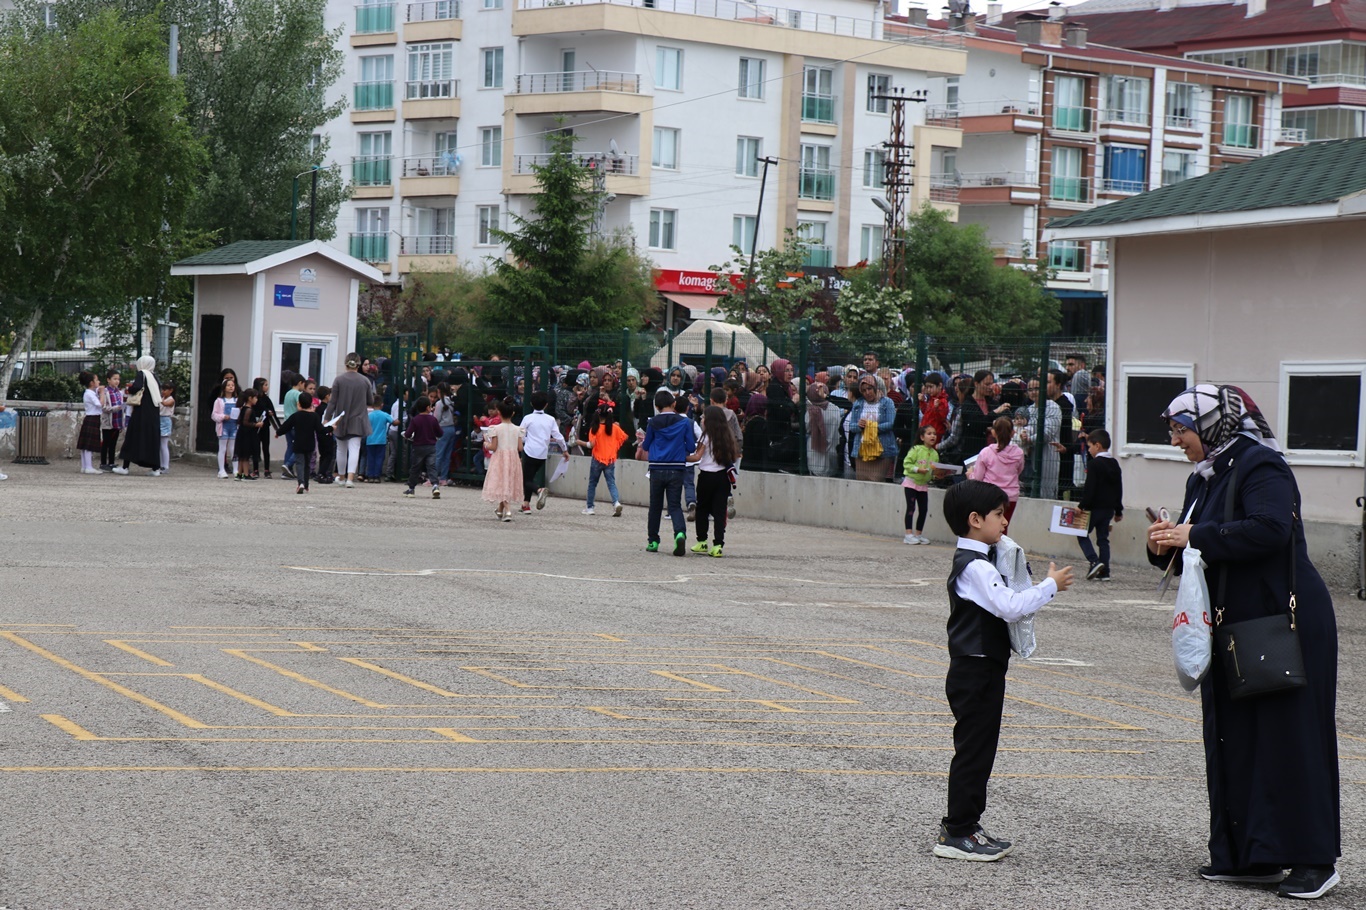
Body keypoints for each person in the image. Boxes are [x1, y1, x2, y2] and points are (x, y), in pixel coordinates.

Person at [1147, 385, 1341, 899]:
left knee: (1291, 738)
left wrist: (1194, 535)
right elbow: (1199, 541)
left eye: (1181, 429)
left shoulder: (1260, 466)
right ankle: (1249, 856)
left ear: (1213, 425)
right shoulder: (1206, 472)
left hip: (1283, 617)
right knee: (1235, 737)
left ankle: (1314, 859)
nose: (1175, 440)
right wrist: (1166, 539)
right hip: (1235, 621)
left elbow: (1271, 529)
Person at [935, 480, 1074, 862]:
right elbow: (1009, 606)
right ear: (975, 520)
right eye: (998, 514)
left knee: (981, 750)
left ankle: (968, 824)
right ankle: (957, 831)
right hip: (974, 669)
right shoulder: (975, 566)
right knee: (973, 751)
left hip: (982, 668)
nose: (1004, 521)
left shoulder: (984, 559)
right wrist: (1050, 586)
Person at [640, 388, 695, 556]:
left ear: (657, 406)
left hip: (657, 467)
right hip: (677, 467)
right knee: (675, 505)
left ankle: (653, 541)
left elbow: (646, 446)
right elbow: (691, 447)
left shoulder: (652, 422)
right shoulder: (685, 422)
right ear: (674, 404)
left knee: (655, 506)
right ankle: (680, 533)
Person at [687, 404, 738, 557]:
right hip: (722, 478)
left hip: (707, 476)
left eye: (703, 417)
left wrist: (679, 456)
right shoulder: (727, 436)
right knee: (719, 511)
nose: (701, 419)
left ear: (709, 421)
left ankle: (702, 541)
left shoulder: (706, 436)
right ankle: (718, 545)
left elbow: (697, 457)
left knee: (702, 509)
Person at [1075, 428, 1121, 580]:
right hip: (1108, 509)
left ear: (1098, 445)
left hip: (1094, 509)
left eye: (1089, 447)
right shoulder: (1114, 463)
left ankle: (1094, 561)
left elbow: (1090, 489)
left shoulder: (1094, 464)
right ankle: (1105, 571)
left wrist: (1081, 506)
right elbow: (1118, 488)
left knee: (1081, 534)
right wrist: (1118, 510)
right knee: (1103, 539)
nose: (1088, 450)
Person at [326, 353, 375, 488]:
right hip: (358, 419)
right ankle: (350, 478)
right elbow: (370, 401)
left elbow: (332, 402)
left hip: (341, 419)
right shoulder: (365, 381)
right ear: (358, 365)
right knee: (355, 448)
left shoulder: (338, 380)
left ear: (346, 364)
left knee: (341, 449)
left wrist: (326, 419)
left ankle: (341, 477)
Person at [519, 390, 566, 514]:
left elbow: (521, 435)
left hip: (530, 451)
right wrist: (564, 450)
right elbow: (558, 436)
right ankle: (526, 504)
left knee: (526, 479)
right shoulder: (550, 419)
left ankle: (539, 490)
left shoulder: (528, 418)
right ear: (546, 405)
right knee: (530, 477)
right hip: (542, 454)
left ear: (530, 403)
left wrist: (526, 441)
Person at [116, 356, 164, 476]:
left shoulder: (142, 374)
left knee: (132, 437)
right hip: (153, 412)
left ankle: (125, 467)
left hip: (141, 412)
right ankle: (155, 468)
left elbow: (136, 387)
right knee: (151, 438)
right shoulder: (154, 376)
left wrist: (129, 388)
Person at [970, 417, 1025, 522]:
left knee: (987, 526)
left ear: (993, 433)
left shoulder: (986, 452)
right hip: (1010, 496)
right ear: (1013, 433)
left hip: (989, 495)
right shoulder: (1019, 453)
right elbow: (1019, 470)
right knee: (1003, 526)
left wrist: (970, 475)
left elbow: (978, 478)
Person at [1014, 378, 1061, 499]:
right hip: (1030, 455)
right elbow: (1025, 428)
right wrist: (1023, 435)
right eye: (1030, 389)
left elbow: (1047, 433)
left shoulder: (1053, 407)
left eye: (1036, 389)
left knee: (1046, 492)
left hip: (1048, 455)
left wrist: (1028, 439)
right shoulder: (1029, 409)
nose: (1033, 392)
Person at [580, 402, 627, 517]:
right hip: (610, 459)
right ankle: (616, 502)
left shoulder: (594, 429)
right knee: (611, 482)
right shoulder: (615, 428)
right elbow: (623, 437)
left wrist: (578, 442)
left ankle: (590, 507)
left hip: (597, 458)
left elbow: (591, 445)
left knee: (592, 483)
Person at [481, 398, 523, 520]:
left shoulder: (495, 428)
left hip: (500, 458)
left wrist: (486, 444)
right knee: (507, 482)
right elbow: (520, 447)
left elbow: (493, 446)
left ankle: (508, 510)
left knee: (501, 482)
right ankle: (500, 510)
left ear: (499, 412)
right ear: (513, 413)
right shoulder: (517, 429)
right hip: (513, 457)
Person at [849, 373, 896, 482]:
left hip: (882, 451)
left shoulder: (887, 402)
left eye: (869, 388)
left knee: (876, 481)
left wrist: (872, 427)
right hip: (862, 449)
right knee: (861, 481)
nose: (867, 393)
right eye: (864, 390)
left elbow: (891, 423)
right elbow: (852, 426)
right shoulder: (858, 404)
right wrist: (859, 426)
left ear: (876, 387)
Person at [276, 392, 320, 494]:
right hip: (310, 444)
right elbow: (320, 429)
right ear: (311, 404)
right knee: (307, 465)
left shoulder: (296, 416)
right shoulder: (314, 416)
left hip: (298, 443)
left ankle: (300, 483)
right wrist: (330, 429)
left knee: (300, 463)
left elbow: (286, 426)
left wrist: (278, 433)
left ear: (299, 403)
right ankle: (306, 485)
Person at [901, 425, 939, 545]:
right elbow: (906, 463)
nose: (932, 436)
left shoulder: (935, 454)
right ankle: (908, 534)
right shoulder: (915, 449)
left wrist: (937, 475)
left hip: (923, 485)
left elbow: (933, 471)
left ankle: (918, 534)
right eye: (929, 433)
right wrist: (917, 469)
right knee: (911, 508)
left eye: (934, 433)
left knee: (923, 510)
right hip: (911, 483)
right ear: (922, 437)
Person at [402, 395, 442, 499]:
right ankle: (435, 486)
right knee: (431, 467)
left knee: (415, 467)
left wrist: (406, 435)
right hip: (431, 447)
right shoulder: (433, 419)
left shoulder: (415, 420)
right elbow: (440, 433)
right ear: (428, 408)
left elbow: (408, 433)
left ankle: (411, 489)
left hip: (418, 446)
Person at [210, 377, 239, 479]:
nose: (231, 387)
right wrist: (223, 417)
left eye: (232, 385)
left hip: (234, 426)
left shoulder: (237, 400)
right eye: (228, 385)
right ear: (224, 388)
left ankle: (236, 469)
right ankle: (221, 470)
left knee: (233, 448)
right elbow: (214, 415)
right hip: (223, 426)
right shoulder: (219, 401)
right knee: (222, 448)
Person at [76, 371, 103, 475]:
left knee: (85, 445)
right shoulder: (89, 394)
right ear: (92, 383)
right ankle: (88, 466)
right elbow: (100, 404)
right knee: (88, 445)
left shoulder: (90, 393)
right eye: (97, 380)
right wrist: (102, 393)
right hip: (92, 418)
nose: (99, 382)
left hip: (91, 418)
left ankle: (85, 466)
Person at [280, 374, 307, 480]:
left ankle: (286, 471)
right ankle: (288, 464)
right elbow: (299, 407)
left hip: (287, 423)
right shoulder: (298, 394)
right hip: (296, 424)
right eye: (304, 384)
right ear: (300, 383)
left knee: (290, 446)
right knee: (299, 446)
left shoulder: (287, 393)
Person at [97, 370, 124, 471]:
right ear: (108, 380)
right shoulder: (106, 392)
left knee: (113, 443)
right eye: (114, 379)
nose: (117, 381)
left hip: (117, 421)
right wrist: (116, 408)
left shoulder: (119, 392)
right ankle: (103, 463)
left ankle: (111, 463)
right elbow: (103, 407)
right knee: (106, 443)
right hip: (108, 422)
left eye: (118, 379)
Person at [432, 382, 458, 486]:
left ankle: (433, 478)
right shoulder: (451, 401)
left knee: (438, 454)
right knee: (447, 455)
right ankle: (443, 478)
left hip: (442, 428)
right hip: (451, 428)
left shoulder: (439, 403)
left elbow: (436, 419)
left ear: (439, 391)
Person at [251, 378, 277, 479]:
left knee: (266, 448)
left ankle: (267, 470)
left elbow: (271, 409)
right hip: (256, 426)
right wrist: (266, 411)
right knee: (255, 448)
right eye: (265, 385)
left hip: (265, 426)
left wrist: (270, 413)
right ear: (260, 386)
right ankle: (256, 469)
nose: (267, 387)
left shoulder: (266, 398)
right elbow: (256, 409)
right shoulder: (255, 398)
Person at [234, 387, 261, 481]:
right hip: (247, 435)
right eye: (255, 398)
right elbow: (245, 422)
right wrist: (256, 424)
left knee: (242, 456)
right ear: (250, 398)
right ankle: (246, 474)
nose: (257, 400)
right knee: (245, 456)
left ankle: (239, 473)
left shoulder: (243, 409)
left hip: (243, 434)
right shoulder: (248, 410)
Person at [365, 396, 392, 483]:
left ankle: (370, 475)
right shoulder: (384, 414)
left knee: (370, 458)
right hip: (381, 440)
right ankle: (377, 476)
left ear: (372, 405)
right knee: (379, 458)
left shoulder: (369, 416)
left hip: (370, 440)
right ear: (382, 405)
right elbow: (393, 421)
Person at [158, 382, 176, 473]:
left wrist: (156, 398)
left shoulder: (171, 400)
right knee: (159, 446)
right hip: (159, 419)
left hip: (165, 420)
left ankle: (165, 466)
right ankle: (161, 464)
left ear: (171, 391)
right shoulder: (162, 398)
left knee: (164, 445)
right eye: (162, 390)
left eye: (165, 390)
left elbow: (165, 404)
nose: (163, 391)